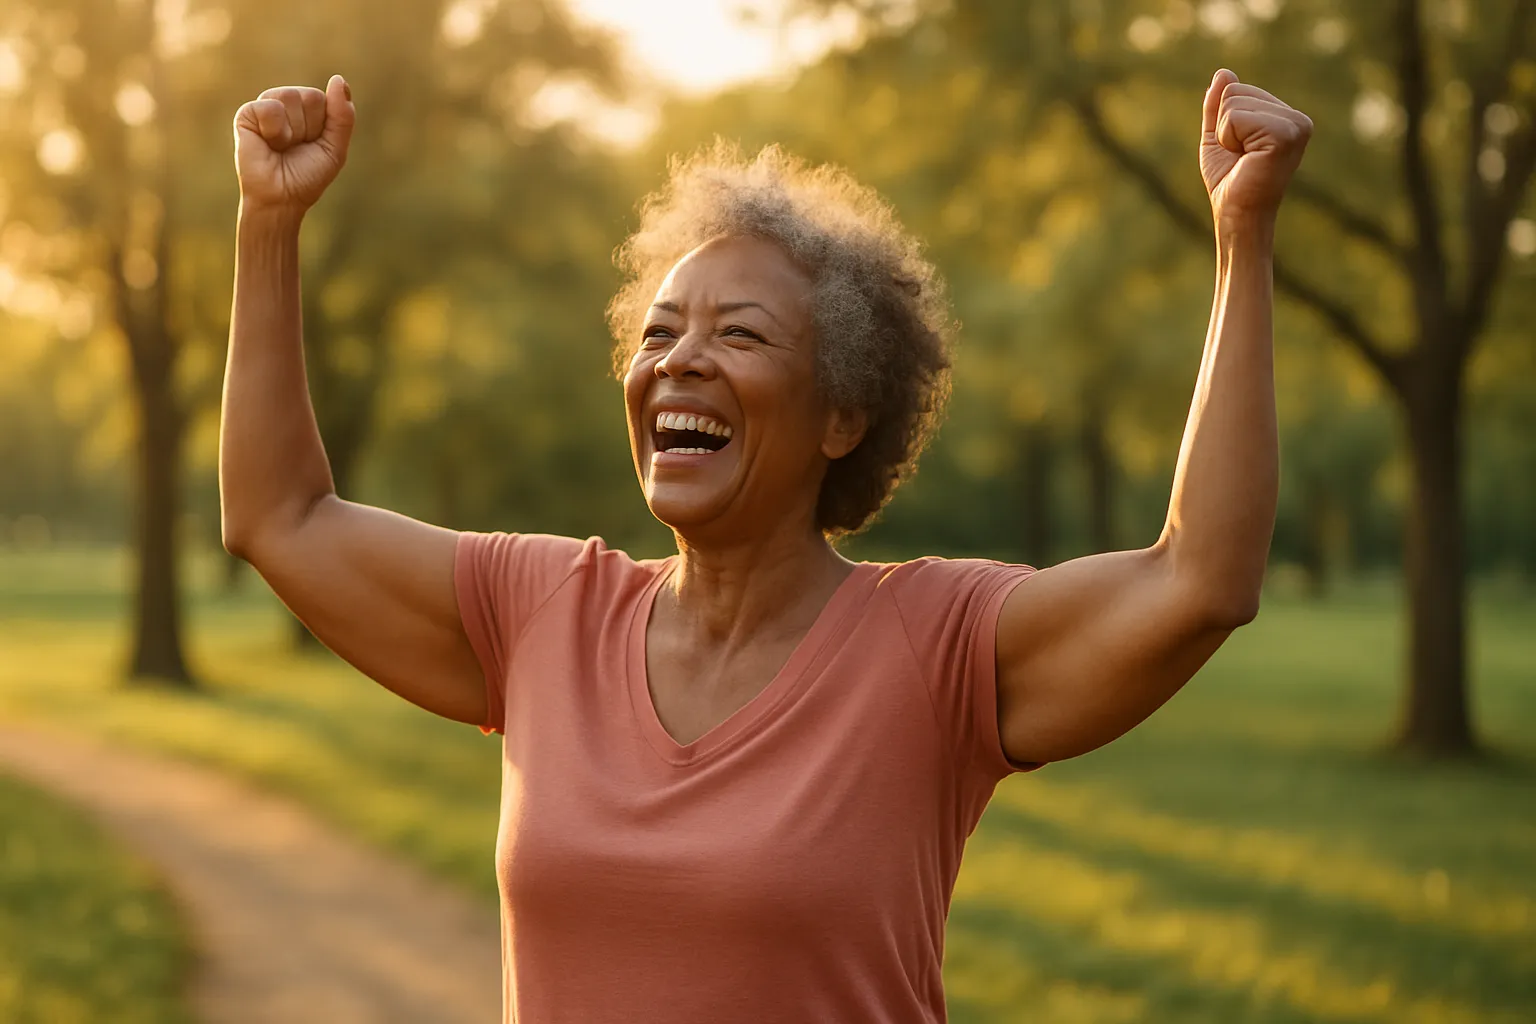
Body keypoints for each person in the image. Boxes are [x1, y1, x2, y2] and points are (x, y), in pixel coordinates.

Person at [222, 68, 1310, 1023]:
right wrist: (267, 222)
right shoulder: (542, 610)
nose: (680, 361)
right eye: (658, 332)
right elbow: (282, 517)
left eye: (738, 333)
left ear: (842, 416)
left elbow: (1200, 576)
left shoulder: (935, 649)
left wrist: (1242, 233)